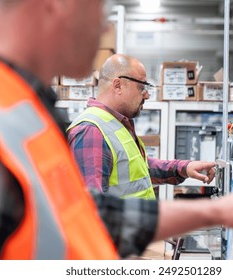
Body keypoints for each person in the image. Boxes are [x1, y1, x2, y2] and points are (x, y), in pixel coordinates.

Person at [0, 0, 233, 260]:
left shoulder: (20, 109)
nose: (105, 27)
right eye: (99, 8)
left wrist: (219, 210)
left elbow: (87, 215)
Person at [67, 54, 216, 199]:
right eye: (141, 87)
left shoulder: (114, 123)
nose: (147, 95)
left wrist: (184, 168)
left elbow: (140, 168)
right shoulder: (91, 131)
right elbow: (93, 208)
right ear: (118, 86)